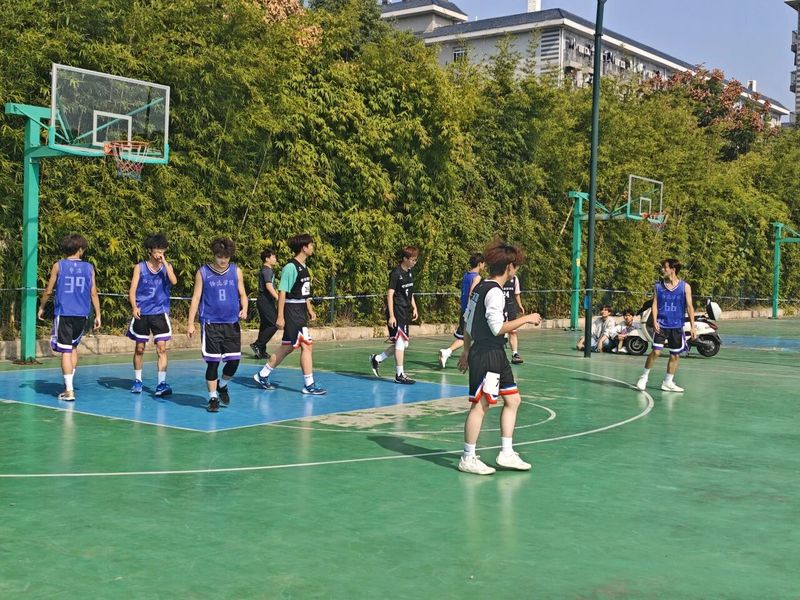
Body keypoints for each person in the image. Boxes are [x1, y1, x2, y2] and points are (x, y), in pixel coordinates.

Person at [457, 241, 542, 475]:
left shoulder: (480, 288)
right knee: (481, 405)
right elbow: (496, 328)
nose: (516, 271)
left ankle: (506, 452)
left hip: (494, 353)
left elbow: (467, 321)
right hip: (488, 354)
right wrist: (526, 319)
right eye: (516, 267)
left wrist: (466, 350)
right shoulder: (494, 292)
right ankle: (468, 457)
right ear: (509, 267)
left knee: (513, 400)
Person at [253, 233, 326, 395]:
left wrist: (310, 309)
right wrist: (280, 316)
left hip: (300, 310)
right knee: (307, 345)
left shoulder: (304, 267)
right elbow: (282, 292)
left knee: (287, 347)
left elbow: (303, 293)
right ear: (304, 248)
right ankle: (309, 385)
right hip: (292, 311)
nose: (313, 247)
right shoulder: (290, 267)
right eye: (311, 245)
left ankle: (263, 374)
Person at [187, 237, 248, 413]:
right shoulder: (203, 272)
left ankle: (222, 385)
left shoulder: (236, 271)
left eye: (226, 257)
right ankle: (213, 398)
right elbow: (196, 298)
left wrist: (244, 308)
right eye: (220, 256)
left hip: (231, 323)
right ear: (214, 255)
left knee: (234, 362)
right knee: (213, 363)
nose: (223, 260)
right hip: (210, 323)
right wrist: (190, 323)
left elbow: (243, 294)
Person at [37, 234, 101, 401]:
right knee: (73, 348)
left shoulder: (58, 266)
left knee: (65, 351)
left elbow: (49, 291)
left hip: (64, 313)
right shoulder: (89, 268)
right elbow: (93, 293)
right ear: (80, 250)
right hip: (82, 314)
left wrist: (42, 307)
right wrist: (98, 314)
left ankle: (69, 391)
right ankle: (68, 385)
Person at [127, 233, 177, 396]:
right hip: (142, 312)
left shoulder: (167, 267)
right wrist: (134, 307)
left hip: (159, 312)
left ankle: (161, 383)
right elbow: (132, 290)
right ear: (150, 251)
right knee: (140, 348)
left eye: (161, 251)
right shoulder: (140, 267)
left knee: (161, 348)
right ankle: (137, 381)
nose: (158, 254)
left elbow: (174, 281)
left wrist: (165, 263)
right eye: (156, 251)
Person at [636, 259, 696, 392]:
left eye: (665, 267)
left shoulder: (685, 287)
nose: (662, 270)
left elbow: (690, 307)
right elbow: (655, 304)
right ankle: (644, 377)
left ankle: (668, 382)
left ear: (673, 270)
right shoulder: (658, 286)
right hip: (662, 324)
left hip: (676, 326)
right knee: (656, 351)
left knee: (675, 355)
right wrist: (655, 320)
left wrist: (693, 326)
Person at [369, 246, 420, 384]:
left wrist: (414, 307)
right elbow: (390, 294)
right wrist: (391, 315)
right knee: (400, 342)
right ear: (405, 259)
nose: (414, 262)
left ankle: (377, 359)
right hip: (396, 311)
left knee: (404, 344)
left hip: (405, 311)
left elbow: (410, 292)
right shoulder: (396, 273)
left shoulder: (409, 272)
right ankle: (399, 375)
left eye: (415, 260)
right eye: (413, 260)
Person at [439, 253, 484, 369]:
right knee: (473, 337)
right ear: (480, 264)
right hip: (470, 311)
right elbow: (471, 294)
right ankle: (473, 360)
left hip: (464, 310)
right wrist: (470, 310)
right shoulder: (477, 277)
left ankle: (448, 352)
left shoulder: (466, 275)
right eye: (484, 263)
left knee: (465, 337)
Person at [250, 248, 279, 360]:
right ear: (267, 259)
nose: (275, 259)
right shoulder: (267, 270)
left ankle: (261, 351)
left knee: (265, 325)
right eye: (273, 257)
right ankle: (258, 344)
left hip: (266, 300)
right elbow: (268, 286)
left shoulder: (267, 270)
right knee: (274, 324)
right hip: (265, 300)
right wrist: (278, 297)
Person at [502, 273, 526, 364]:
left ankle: (515, 354)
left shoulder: (515, 279)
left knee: (513, 331)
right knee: (499, 330)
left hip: (510, 307)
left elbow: (517, 293)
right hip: (500, 307)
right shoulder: (498, 276)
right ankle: (499, 353)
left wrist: (520, 305)